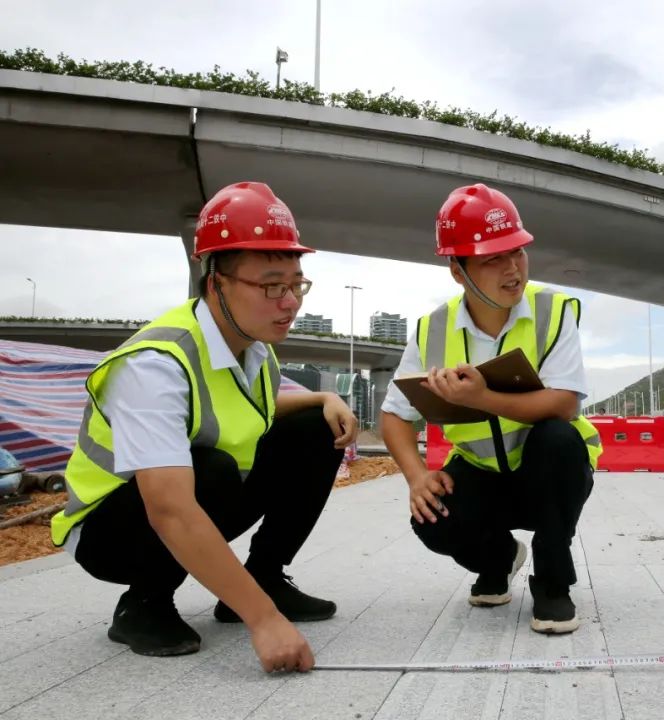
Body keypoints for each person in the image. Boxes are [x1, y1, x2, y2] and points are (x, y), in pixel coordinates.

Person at [52, 182, 356, 673]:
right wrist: (266, 621)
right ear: (217, 283)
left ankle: (265, 576)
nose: (290, 302)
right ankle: (143, 603)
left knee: (314, 430)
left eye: (297, 284)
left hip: (193, 498)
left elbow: (247, 408)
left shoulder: (254, 349)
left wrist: (322, 398)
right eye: (272, 285)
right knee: (208, 467)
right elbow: (169, 508)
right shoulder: (155, 362)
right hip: (113, 531)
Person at [380, 183, 601, 634]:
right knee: (431, 520)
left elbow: (563, 403)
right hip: (481, 474)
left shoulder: (552, 311)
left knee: (558, 439)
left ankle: (553, 584)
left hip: (549, 474)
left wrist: (480, 398)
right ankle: (499, 559)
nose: (512, 269)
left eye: (517, 252)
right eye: (492, 259)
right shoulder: (432, 330)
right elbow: (394, 415)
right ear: (457, 271)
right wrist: (417, 475)